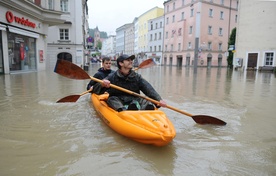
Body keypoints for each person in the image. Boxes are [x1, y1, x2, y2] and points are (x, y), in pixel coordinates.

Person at [94, 54, 167, 112]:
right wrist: (102, 84)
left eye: (131, 60)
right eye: (128, 60)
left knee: (146, 100)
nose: (131, 61)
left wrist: (158, 99)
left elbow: (147, 88)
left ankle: (143, 108)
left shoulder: (136, 77)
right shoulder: (112, 77)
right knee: (112, 99)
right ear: (121, 63)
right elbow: (96, 89)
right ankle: (124, 110)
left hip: (134, 98)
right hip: (119, 99)